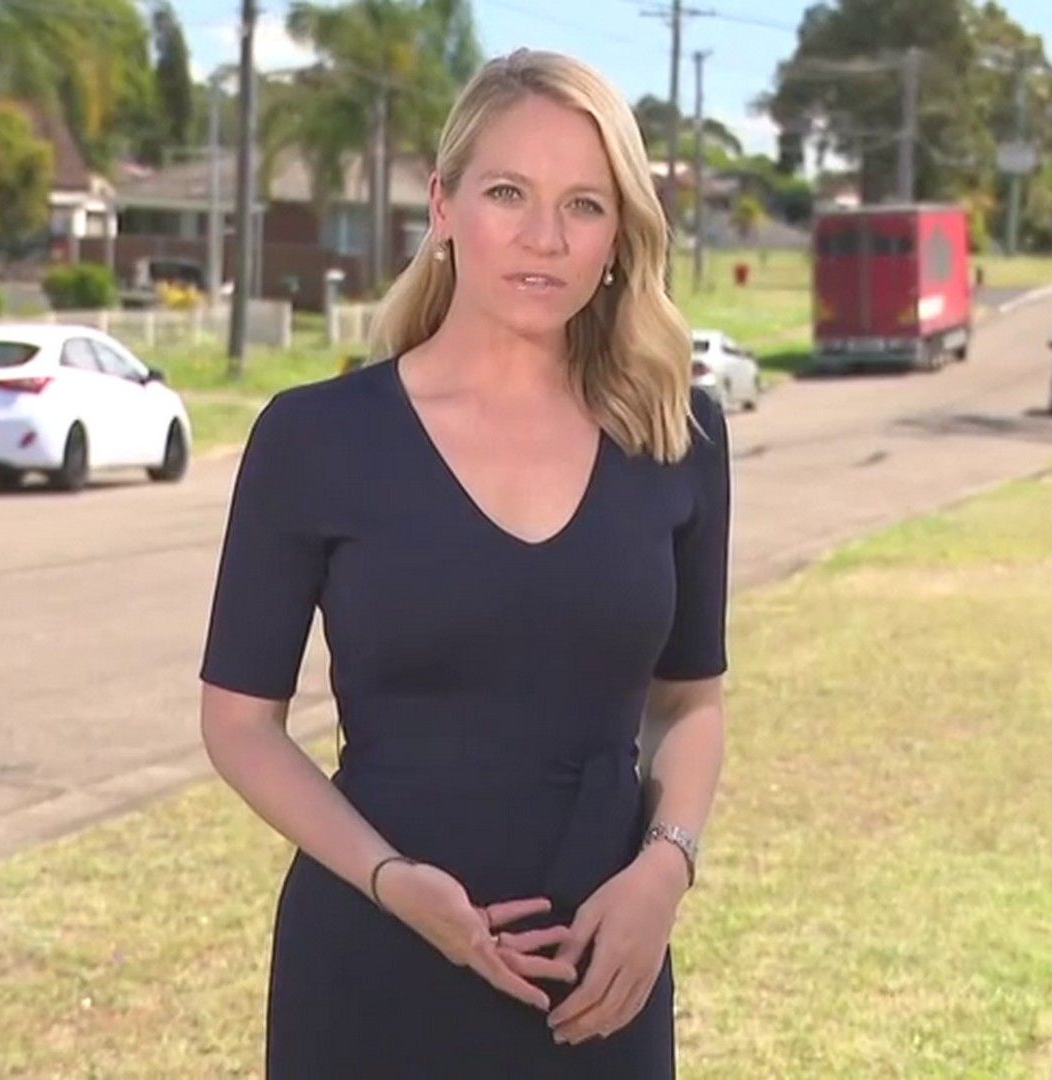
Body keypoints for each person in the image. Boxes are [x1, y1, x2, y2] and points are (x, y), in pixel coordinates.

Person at [197, 48, 731, 1078]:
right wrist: (391, 880)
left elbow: (690, 705)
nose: (544, 238)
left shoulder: (679, 436)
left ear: (620, 234)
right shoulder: (315, 438)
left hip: (600, 981)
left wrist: (665, 872)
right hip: (372, 964)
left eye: (584, 205)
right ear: (443, 206)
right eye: (507, 194)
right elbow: (239, 725)